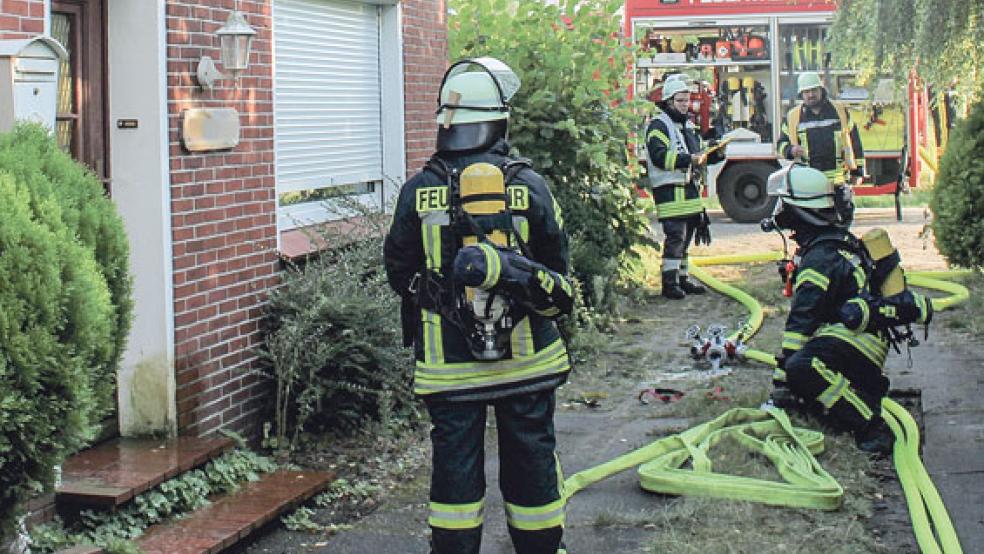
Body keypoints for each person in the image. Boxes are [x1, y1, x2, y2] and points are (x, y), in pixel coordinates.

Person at [383, 58, 574, 554]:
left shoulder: (416, 191)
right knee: (532, 460)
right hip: (527, 362)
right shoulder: (530, 186)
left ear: (445, 123)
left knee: (455, 474)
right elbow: (557, 269)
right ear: (498, 119)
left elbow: (398, 274)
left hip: (449, 370)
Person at [761, 164, 932, 455]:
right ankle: (857, 392)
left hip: (856, 340)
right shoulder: (835, 242)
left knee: (802, 367)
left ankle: (870, 426)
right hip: (860, 337)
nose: (779, 212)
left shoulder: (820, 258)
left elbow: (802, 321)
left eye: (783, 204)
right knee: (802, 369)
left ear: (798, 210)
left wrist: (785, 382)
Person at [645, 74, 725, 299]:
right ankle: (669, 284)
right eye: (680, 100)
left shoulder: (686, 126)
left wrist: (716, 153)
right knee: (675, 238)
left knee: (687, 237)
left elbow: (698, 155)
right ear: (669, 101)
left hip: (688, 189)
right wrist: (688, 160)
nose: (685, 105)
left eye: (687, 100)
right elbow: (659, 156)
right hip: (670, 191)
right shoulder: (658, 125)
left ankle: (682, 278)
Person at [777, 71, 865, 186]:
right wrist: (791, 150)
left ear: (821, 90)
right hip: (809, 182)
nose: (810, 95)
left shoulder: (840, 111)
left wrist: (858, 172)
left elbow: (855, 142)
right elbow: (780, 145)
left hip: (838, 183)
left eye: (814, 90)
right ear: (801, 94)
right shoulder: (793, 117)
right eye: (806, 92)